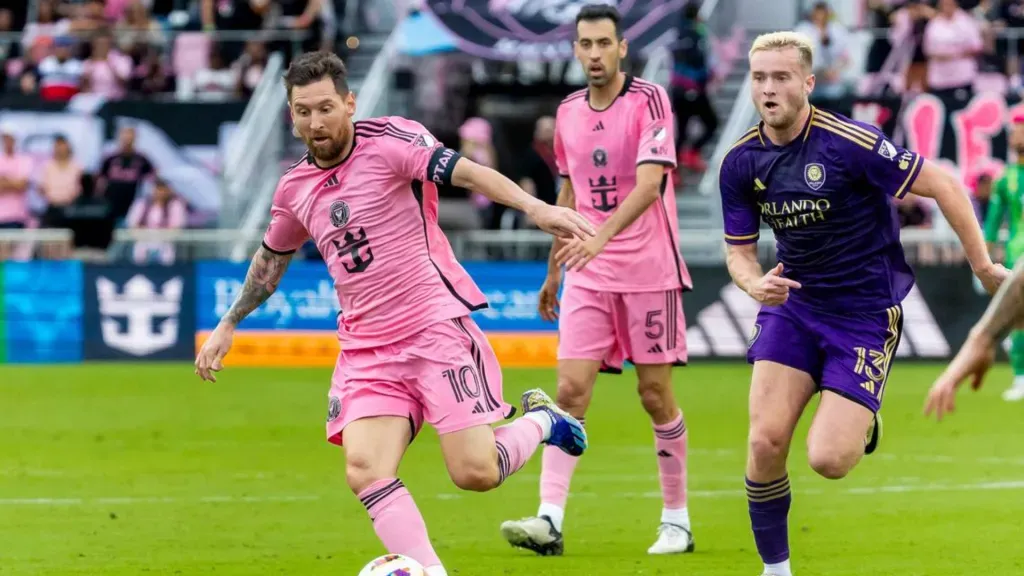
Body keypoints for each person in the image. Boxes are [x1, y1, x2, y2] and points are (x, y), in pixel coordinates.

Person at [193, 51, 593, 576]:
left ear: (349, 103)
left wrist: (536, 208)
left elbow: (468, 173)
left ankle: (543, 419)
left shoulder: (392, 142)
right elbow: (271, 260)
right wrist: (229, 322)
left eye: (326, 108)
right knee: (364, 469)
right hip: (367, 349)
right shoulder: (293, 189)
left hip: (433, 327)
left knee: (474, 473)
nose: (315, 122)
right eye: (302, 111)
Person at [718, 32, 1007, 576]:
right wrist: (753, 283)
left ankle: (859, 415)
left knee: (829, 460)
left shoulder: (849, 142)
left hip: (865, 314)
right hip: (794, 306)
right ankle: (775, 570)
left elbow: (943, 184)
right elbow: (737, 254)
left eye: (781, 77)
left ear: (808, 83)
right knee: (764, 442)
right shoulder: (740, 163)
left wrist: (983, 265)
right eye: (759, 78)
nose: (767, 88)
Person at [499, 4, 694, 557]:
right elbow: (568, 195)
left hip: (649, 270)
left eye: (603, 43)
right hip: (587, 270)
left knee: (654, 396)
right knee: (568, 392)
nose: (593, 54)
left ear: (621, 47)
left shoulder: (650, 101)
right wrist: (553, 269)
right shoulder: (566, 113)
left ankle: (676, 519)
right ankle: (549, 520)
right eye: (585, 44)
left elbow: (651, 186)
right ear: (575, 48)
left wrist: (598, 240)